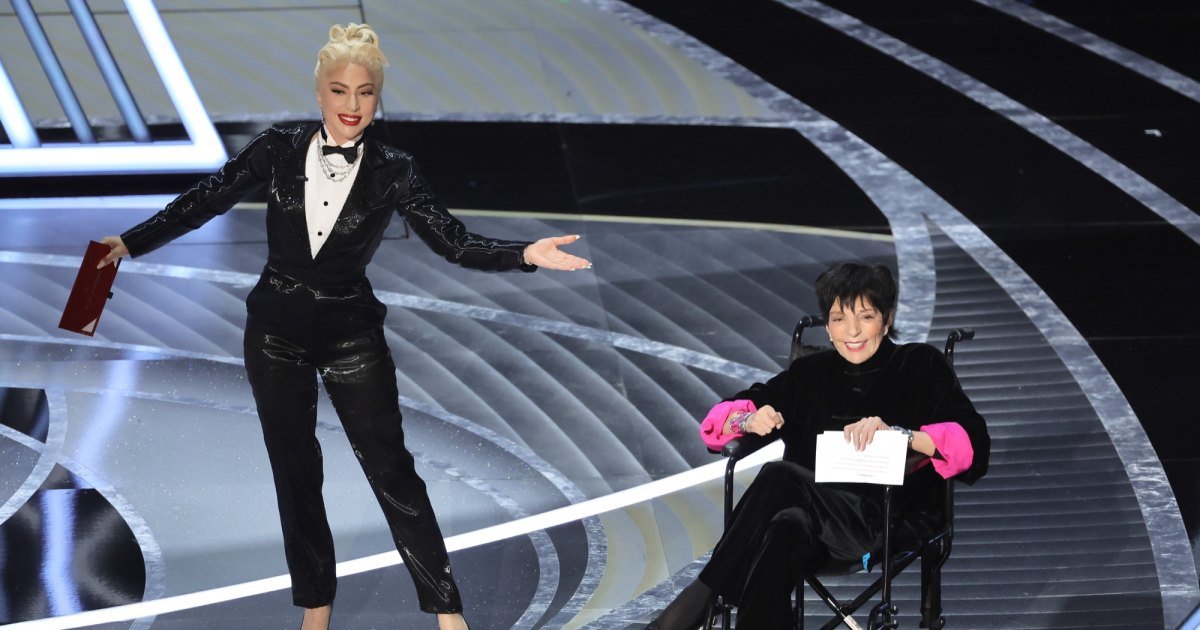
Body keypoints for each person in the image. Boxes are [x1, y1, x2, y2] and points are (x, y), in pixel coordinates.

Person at [97, 23, 590, 630]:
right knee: (296, 473)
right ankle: (316, 608)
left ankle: (447, 609)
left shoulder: (395, 168)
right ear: (319, 93)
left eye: (365, 92)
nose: (352, 105)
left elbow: (453, 241)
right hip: (274, 333)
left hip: (351, 333)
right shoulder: (278, 147)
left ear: (377, 98)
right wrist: (132, 242)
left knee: (391, 468)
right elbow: (206, 198)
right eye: (339, 90)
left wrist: (523, 254)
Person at [649, 262, 989, 629]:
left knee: (779, 477)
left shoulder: (920, 365)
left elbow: (973, 442)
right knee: (785, 527)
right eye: (839, 319)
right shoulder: (809, 374)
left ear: (887, 319)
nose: (852, 331)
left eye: (866, 317)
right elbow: (718, 423)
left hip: (885, 516)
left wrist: (902, 435)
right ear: (827, 326)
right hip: (813, 521)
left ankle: (696, 603)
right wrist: (749, 420)